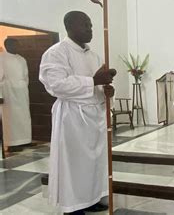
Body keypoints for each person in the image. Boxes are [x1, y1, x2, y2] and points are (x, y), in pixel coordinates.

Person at [39, 11, 116, 214]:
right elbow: (56, 85)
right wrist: (93, 81)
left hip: (94, 118)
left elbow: (100, 85)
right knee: (73, 166)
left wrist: (107, 91)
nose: (90, 29)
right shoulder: (56, 52)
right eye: (85, 25)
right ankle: (73, 206)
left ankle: (90, 198)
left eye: (91, 25)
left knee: (94, 164)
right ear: (70, 27)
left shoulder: (94, 55)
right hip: (72, 119)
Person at [0, 38, 32, 149]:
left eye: (17, 45)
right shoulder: (1, 58)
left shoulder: (21, 59)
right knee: (11, 117)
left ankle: (25, 140)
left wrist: (23, 86)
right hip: (8, 92)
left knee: (24, 116)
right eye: (13, 45)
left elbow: (26, 76)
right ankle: (12, 143)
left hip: (22, 92)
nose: (16, 47)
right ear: (7, 45)